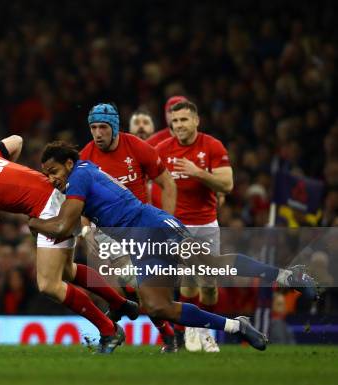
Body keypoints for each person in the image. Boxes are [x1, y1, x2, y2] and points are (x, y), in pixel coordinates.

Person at [28, 140, 317, 352]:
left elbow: (64, 226)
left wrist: (34, 224)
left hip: (150, 223)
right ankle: (237, 326)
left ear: (68, 163)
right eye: (47, 175)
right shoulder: (81, 176)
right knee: (157, 307)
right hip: (136, 242)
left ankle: (288, 276)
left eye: (53, 171)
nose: (52, 180)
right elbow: (74, 223)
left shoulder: (78, 174)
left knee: (209, 265)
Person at [0, 135, 138, 354]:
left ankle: (109, 330)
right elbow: (16, 140)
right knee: (67, 271)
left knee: (48, 284)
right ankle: (119, 303)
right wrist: (9, 181)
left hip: (47, 207)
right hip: (56, 194)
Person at [79, 103, 178, 352]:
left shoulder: (135, 146)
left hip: (139, 225)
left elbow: (167, 183)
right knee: (121, 286)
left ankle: (129, 325)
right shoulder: (86, 157)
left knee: (141, 289)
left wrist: (165, 221)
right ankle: (118, 326)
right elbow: (80, 200)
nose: (98, 133)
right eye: (93, 127)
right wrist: (86, 229)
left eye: (103, 127)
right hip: (105, 230)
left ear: (114, 127)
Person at [156, 100, 231, 352]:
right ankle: (192, 332)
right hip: (177, 226)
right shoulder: (163, 149)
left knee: (208, 285)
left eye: (184, 120)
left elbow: (228, 185)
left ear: (196, 121)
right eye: (175, 121)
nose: (179, 125)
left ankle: (204, 331)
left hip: (207, 223)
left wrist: (198, 173)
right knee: (187, 280)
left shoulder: (212, 146)